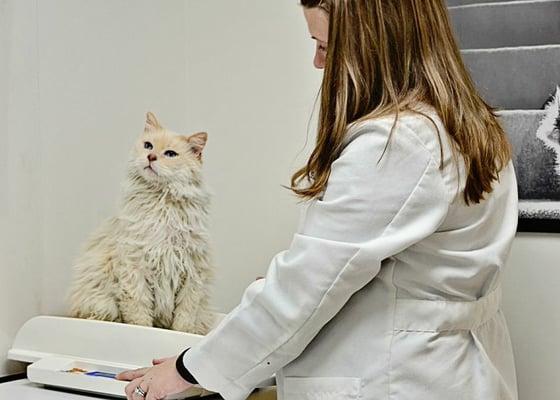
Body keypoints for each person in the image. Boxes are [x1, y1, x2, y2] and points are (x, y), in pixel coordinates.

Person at [116, 1, 519, 399]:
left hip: (400, 376)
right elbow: (383, 272)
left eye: (324, 45)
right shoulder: (471, 127)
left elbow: (308, 287)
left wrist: (189, 368)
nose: (317, 62)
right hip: (453, 369)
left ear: (372, 45)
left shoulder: (398, 143)